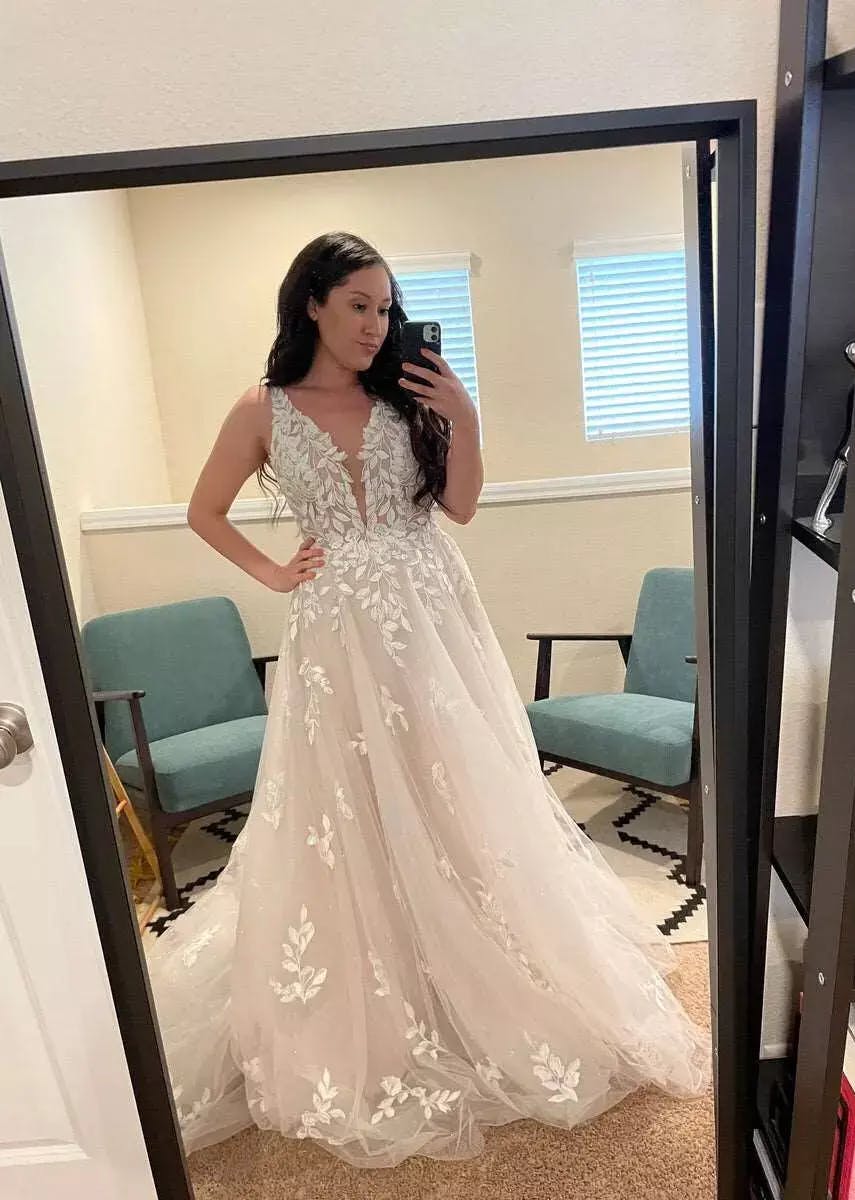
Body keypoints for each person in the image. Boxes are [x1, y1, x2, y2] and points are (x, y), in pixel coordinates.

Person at [144, 231, 709, 1169]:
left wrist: (465, 418)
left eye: (385, 307)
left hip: (433, 615)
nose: (376, 324)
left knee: (453, 785)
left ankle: (475, 964)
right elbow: (203, 510)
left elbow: (461, 507)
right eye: (358, 305)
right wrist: (274, 573)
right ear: (313, 304)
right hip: (335, 629)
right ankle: (380, 976)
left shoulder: (406, 393)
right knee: (349, 800)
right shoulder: (262, 407)